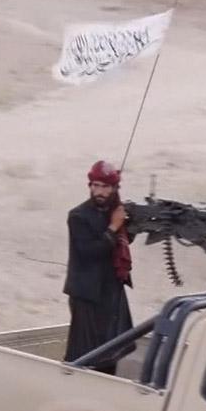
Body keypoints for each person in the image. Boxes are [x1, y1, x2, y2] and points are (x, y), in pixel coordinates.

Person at [63, 160, 135, 375]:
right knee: (85, 357)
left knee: (111, 352)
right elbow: (89, 252)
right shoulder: (78, 216)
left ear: (114, 188)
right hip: (87, 295)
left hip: (110, 292)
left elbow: (124, 241)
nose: (100, 191)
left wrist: (129, 225)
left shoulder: (115, 211)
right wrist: (113, 226)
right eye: (96, 185)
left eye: (105, 187)